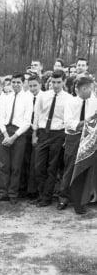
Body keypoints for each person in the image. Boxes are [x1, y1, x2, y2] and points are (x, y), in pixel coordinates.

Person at [32, 70, 72, 207]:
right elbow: (37, 115)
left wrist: (65, 137)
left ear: (64, 82)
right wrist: (34, 134)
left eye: (58, 82)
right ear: (50, 82)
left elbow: (68, 120)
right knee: (38, 167)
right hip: (43, 133)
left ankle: (46, 198)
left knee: (52, 167)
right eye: (53, 82)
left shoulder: (69, 99)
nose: (55, 85)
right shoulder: (43, 96)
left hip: (58, 134)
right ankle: (42, 194)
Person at [57, 77, 97, 213]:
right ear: (84, 88)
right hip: (73, 138)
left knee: (85, 168)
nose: (93, 91)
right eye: (91, 88)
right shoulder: (71, 102)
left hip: (90, 139)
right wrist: (86, 122)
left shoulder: (95, 102)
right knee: (69, 167)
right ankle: (63, 197)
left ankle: (81, 200)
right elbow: (68, 123)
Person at [0, 73, 32, 204]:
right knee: (4, 165)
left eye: (18, 82)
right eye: (14, 82)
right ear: (11, 83)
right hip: (5, 131)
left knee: (16, 166)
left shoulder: (27, 99)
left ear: (23, 83)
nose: (16, 85)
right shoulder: (6, 98)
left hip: (19, 134)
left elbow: (27, 122)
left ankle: (13, 194)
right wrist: (6, 135)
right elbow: (0, 118)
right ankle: (3, 192)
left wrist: (14, 137)